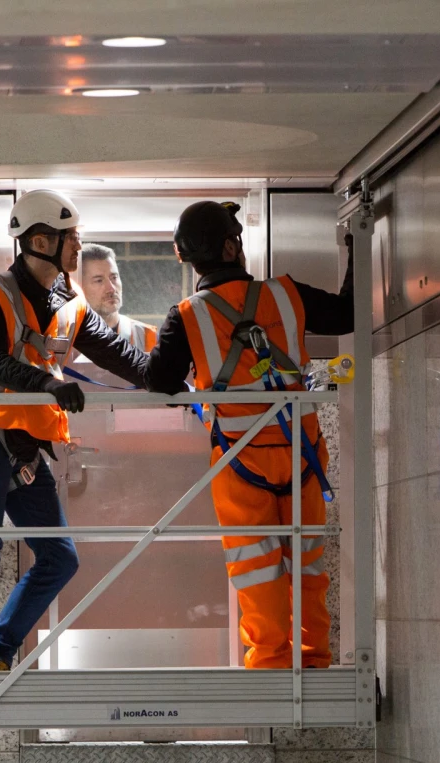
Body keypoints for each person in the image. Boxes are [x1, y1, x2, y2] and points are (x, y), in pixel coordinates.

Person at [144, 200, 353, 669]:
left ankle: (269, 665)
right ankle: (314, 659)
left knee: (256, 569)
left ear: (187, 258)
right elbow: (346, 315)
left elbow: (158, 379)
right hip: (302, 457)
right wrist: (356, 244)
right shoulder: (286, 294)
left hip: (240, 464)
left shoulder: (186, 317)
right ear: (232, 245)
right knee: (307, 563)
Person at [0, 189, 147, 671]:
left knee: (59, 558)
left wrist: (177, 383)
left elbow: (120, 355)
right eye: (71, 238)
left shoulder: (70, 303)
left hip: (26, 448)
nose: (78, 247)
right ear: (40, 241)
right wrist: (46, 384)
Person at [78, 243, 158, 351]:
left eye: (114, 277)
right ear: (78, 286)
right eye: (99, 280)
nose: (111, 288)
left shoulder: (148, 337)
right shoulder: (66, 338)